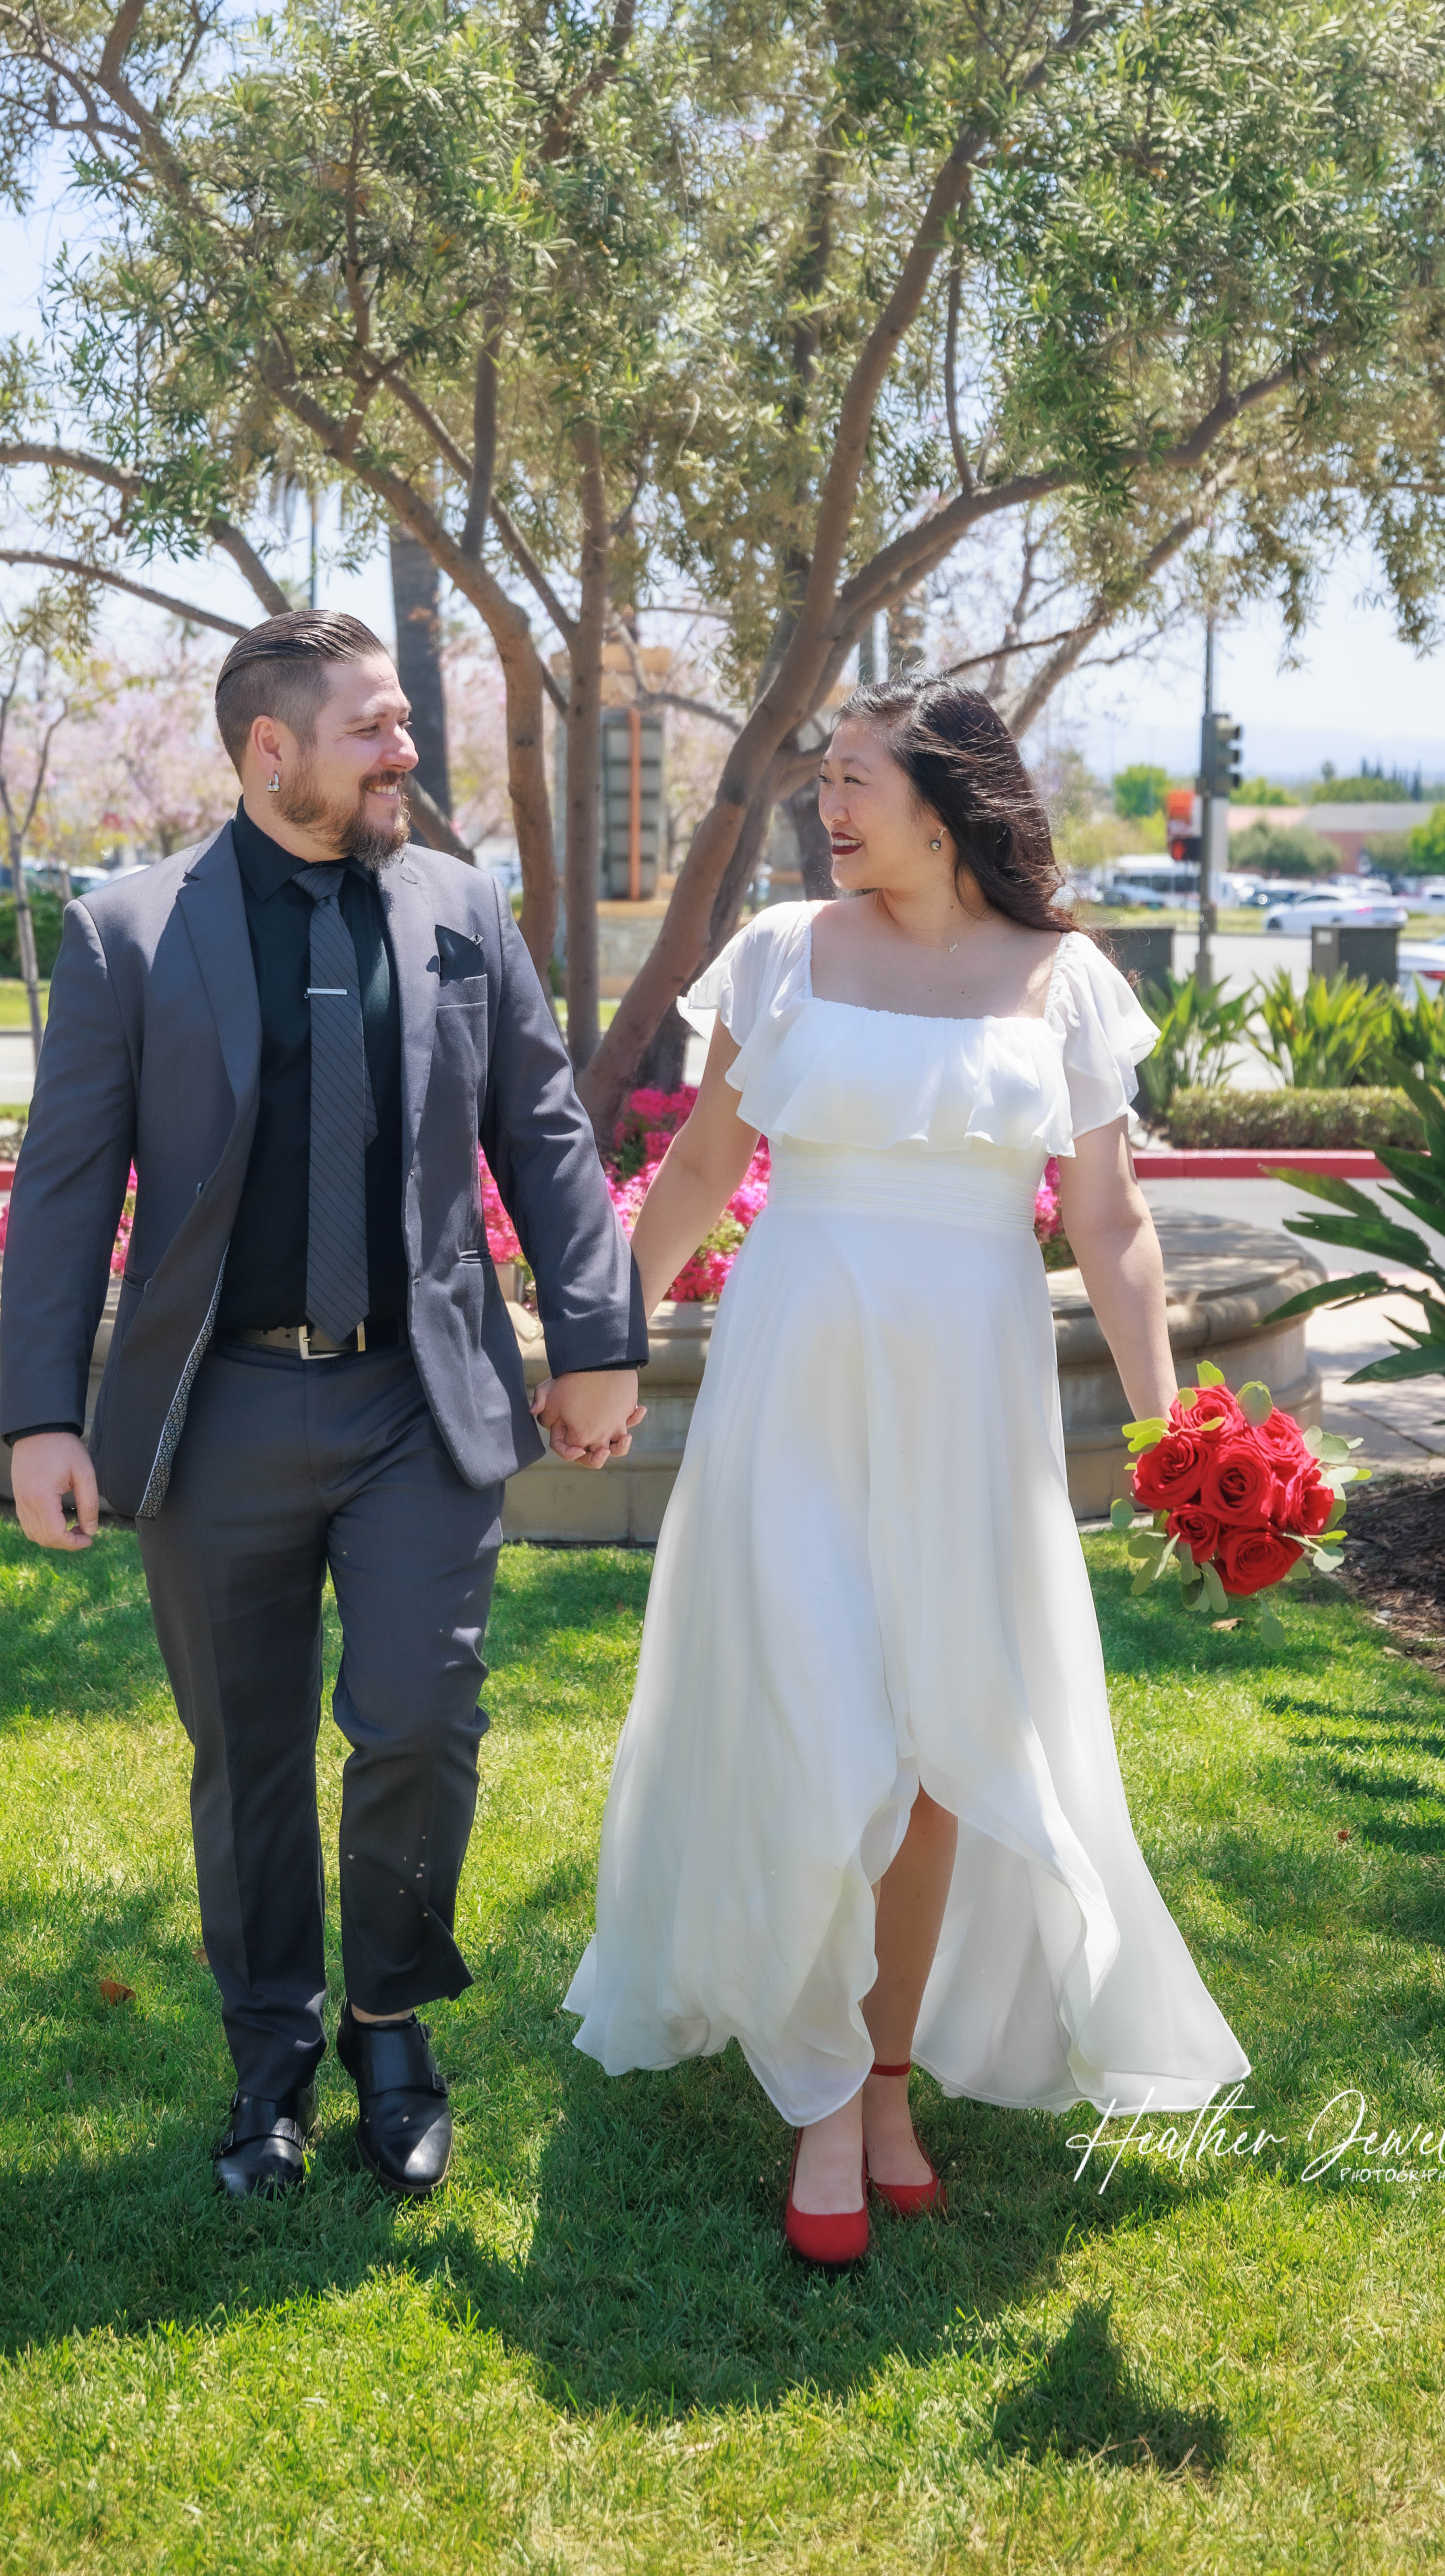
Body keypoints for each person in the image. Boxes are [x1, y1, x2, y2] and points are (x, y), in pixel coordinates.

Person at [566, 678, 1249, 2265]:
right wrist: (597, 1342)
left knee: (941, 1750)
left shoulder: (1064, 980)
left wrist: (1176, 1433)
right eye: (822, 778)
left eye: (852, 777)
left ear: (942, 808)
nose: (825, 803)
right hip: (795, 1378)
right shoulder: (780, 952)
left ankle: (883, 2079)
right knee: (819, 1718)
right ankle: (816, 2093)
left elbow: (1110, 1225)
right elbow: (704, 1162)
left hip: (971, 1403)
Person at [0, 608, 645, 2203]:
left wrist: (595, 1334)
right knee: (248, 1752)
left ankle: (390, 2025)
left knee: (421, 1717)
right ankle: (270, 2051)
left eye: (404, 722)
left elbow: (543, 1129)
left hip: (415, 1399)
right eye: (373, 728)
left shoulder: (458, 907)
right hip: (216, 1405)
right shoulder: (128, 933)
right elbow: (67, 1183)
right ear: (270, 749)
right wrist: (39, 1415)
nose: (403, 751)